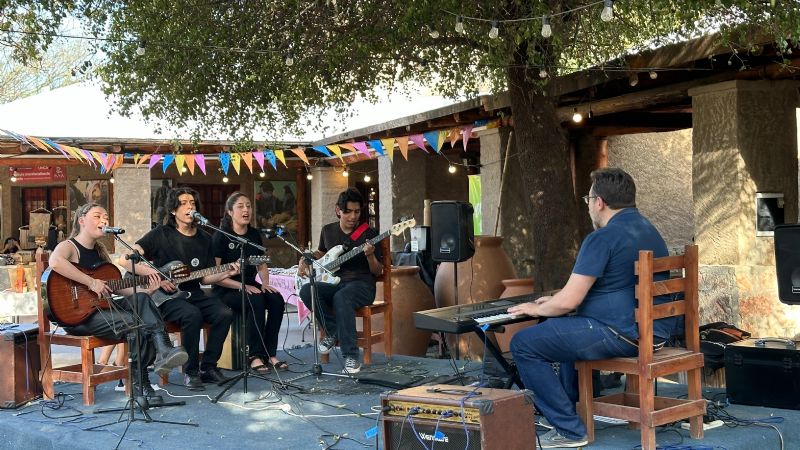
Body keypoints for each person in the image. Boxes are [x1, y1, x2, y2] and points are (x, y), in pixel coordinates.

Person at [508, 168, 679, 448]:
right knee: (560, 331)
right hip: (654, 333)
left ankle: (570, 430)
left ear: (599, 202)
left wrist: (536, 308)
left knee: (524, 344)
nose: (588, 205)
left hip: (621, 334)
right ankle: (575, 409)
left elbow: (569, 301)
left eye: (588, 199)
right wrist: (552, 303)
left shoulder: (602, 238)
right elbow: (592, 289)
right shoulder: (649, 230)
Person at [48, 203, 188, 403]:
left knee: (141, 300)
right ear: (82, 221)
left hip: (101, 309)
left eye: (106, 217)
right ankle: (141, 384)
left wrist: (149, 290)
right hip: (79, 316)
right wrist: (91, 282)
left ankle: (162, 348)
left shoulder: (101, 252)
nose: (104, 220)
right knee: (136, 324)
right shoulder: (69, 246)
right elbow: (55, 262)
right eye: (97, 216)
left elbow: (119, 289)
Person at [121, 187, 237, 391]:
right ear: (173, 210)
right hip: (166, 297)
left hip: (194, 293)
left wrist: (227, 271)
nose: (189, 207)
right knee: (192, 315)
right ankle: (191, 372)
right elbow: (125, 260)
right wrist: (154, 275)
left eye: (192, 203)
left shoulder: (205, 238)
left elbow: (205, 277)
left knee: (224, 313)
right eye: (183, 203)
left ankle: (208, 367)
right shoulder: (160, 234)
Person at [298, 188, 383, 374]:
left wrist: (370, 255)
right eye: (348, 212)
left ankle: (351, 356)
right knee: (307, 290)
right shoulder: (328, 230)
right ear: (338, 210)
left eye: (357, 212)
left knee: (342, 297)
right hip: (335, 284)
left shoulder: (369, 233)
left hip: (362, 285)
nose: (353, 216)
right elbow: (322, 253)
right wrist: (306, 258)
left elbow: (378, 271)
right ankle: (332, 330)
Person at [211, 192, 288, 373]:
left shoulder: (253, 234)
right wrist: (242, 286)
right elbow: (215, 273)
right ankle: (254, 355)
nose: (246, 210)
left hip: (250, 284)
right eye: (240, 206)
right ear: (230, 212)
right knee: (256, 300)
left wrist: (265, 283)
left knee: (276, 299)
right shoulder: (221, 236)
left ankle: (270, 353)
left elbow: (261, 264)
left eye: (248, 206)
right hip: (226, 287)